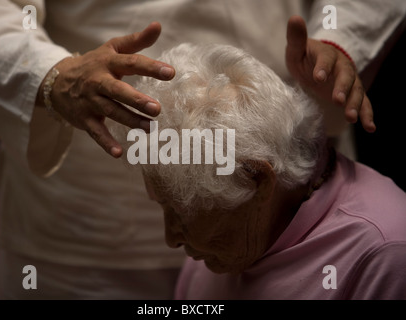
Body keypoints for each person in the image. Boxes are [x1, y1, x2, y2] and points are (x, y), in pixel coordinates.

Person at [0, 0, 404, 299]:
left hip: (281, 199)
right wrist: (52, 74)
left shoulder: (384, 251)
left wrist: (340, 38)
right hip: (81, 230)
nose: (173, 239)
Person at [112, 42, 406, 299]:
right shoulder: (222, 235)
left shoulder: (384, 253)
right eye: (165, 206)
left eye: (181, 211)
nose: (171, 238)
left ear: (256, 179)